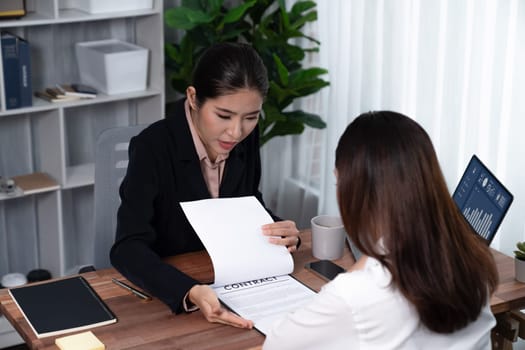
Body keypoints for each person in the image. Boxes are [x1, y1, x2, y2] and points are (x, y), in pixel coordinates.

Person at [263, 111, 498, 349]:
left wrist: (363, 263)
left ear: (354, 190)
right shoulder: (473, 261)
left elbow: (277, 343)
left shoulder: (356, 291)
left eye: (338, 183)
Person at [110, 42, 300, 329]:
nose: (236, 132)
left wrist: (279, 229)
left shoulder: (246, 137)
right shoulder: (153, 147)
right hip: (172, 294)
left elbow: (246, 201)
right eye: (223, 116)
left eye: (250, 117)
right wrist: (187, 290)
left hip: (232, 284)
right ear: (193, 97)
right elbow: (127, 246)